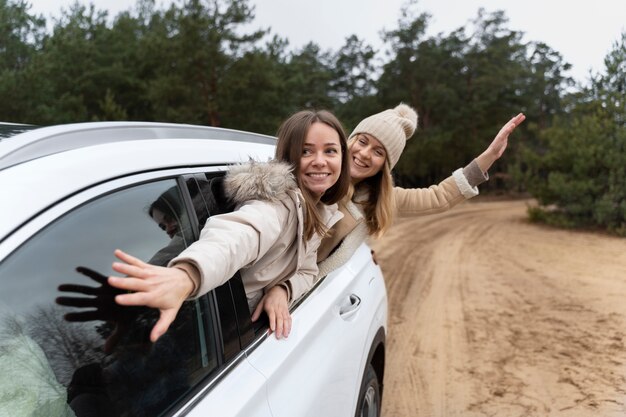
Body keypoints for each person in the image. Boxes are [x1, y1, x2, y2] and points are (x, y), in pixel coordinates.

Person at [256, 104, 526, 334]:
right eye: (362, 141)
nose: (364, 154)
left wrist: (490, 155)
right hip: (255, 288)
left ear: (385, 165)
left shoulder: (375, 201)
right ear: (347, 140)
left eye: (378, 152)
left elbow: (440, 196)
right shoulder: (307, 173)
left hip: (292, 304)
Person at [106, 110, 351, 342]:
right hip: (209, 332)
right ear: (288, 157)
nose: (320, 161)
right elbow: (236, 238)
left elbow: (307, 271)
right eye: (306, 152)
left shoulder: (318, 211)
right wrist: (186, 276)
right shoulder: (276, 205)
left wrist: (283, 289)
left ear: (342, 156)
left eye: (330, 151)